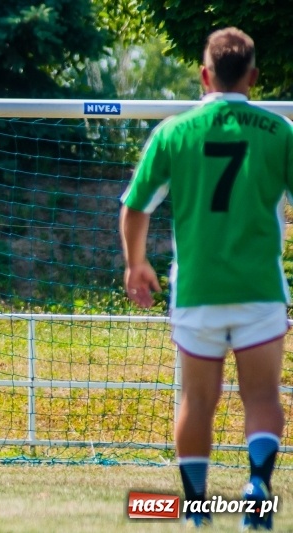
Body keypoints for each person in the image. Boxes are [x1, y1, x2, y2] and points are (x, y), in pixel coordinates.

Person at [119, 27, 293, 530]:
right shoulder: (279, 130)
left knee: (197, 401)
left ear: (204, 74)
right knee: (262, 398)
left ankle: (197, 510)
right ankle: (257, 487)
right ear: (254, 78)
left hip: (197, 291)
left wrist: (136, 264)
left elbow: (134, 208)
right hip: (259, 288)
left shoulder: (174, 131)